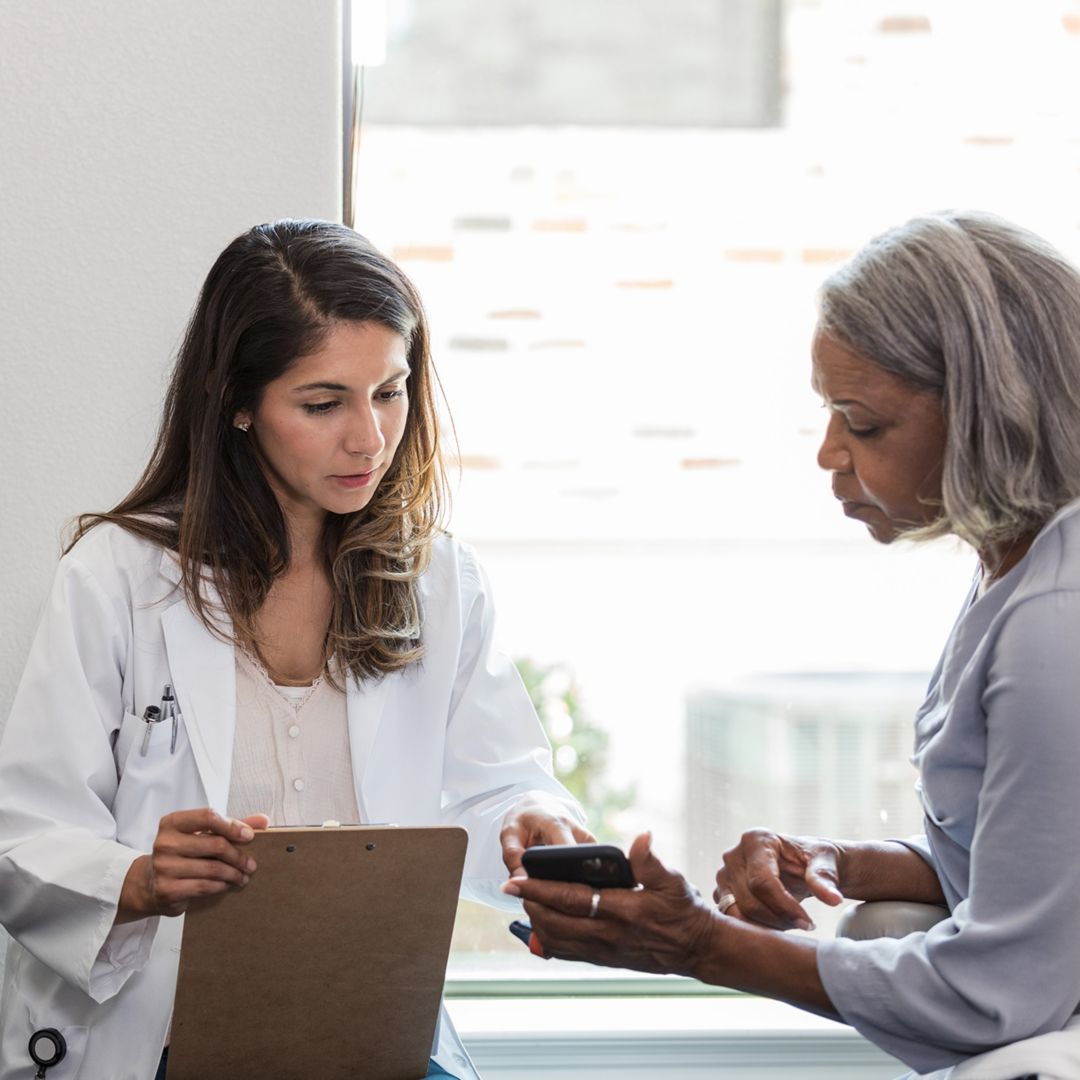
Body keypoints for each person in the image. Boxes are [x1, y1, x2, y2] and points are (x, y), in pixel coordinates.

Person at [0, 219, 591, 1080]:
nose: (369, 438)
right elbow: (25, 834)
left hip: (373, 1031)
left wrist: (529, 823)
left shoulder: (438, 580)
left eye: (390, 392)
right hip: (160, 1038)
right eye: (323, 403)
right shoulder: (117, 579)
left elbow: (500, 779)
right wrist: (138, 879)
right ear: (236, 401)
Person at [506, 210, 1080, 1077]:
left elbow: (997, 989)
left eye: (864, 422)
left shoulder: (1056, 621)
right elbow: (1035, 870)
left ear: (989, 412)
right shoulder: (1016, 569)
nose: (828, 453)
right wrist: (838, 861)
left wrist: (699, 943)